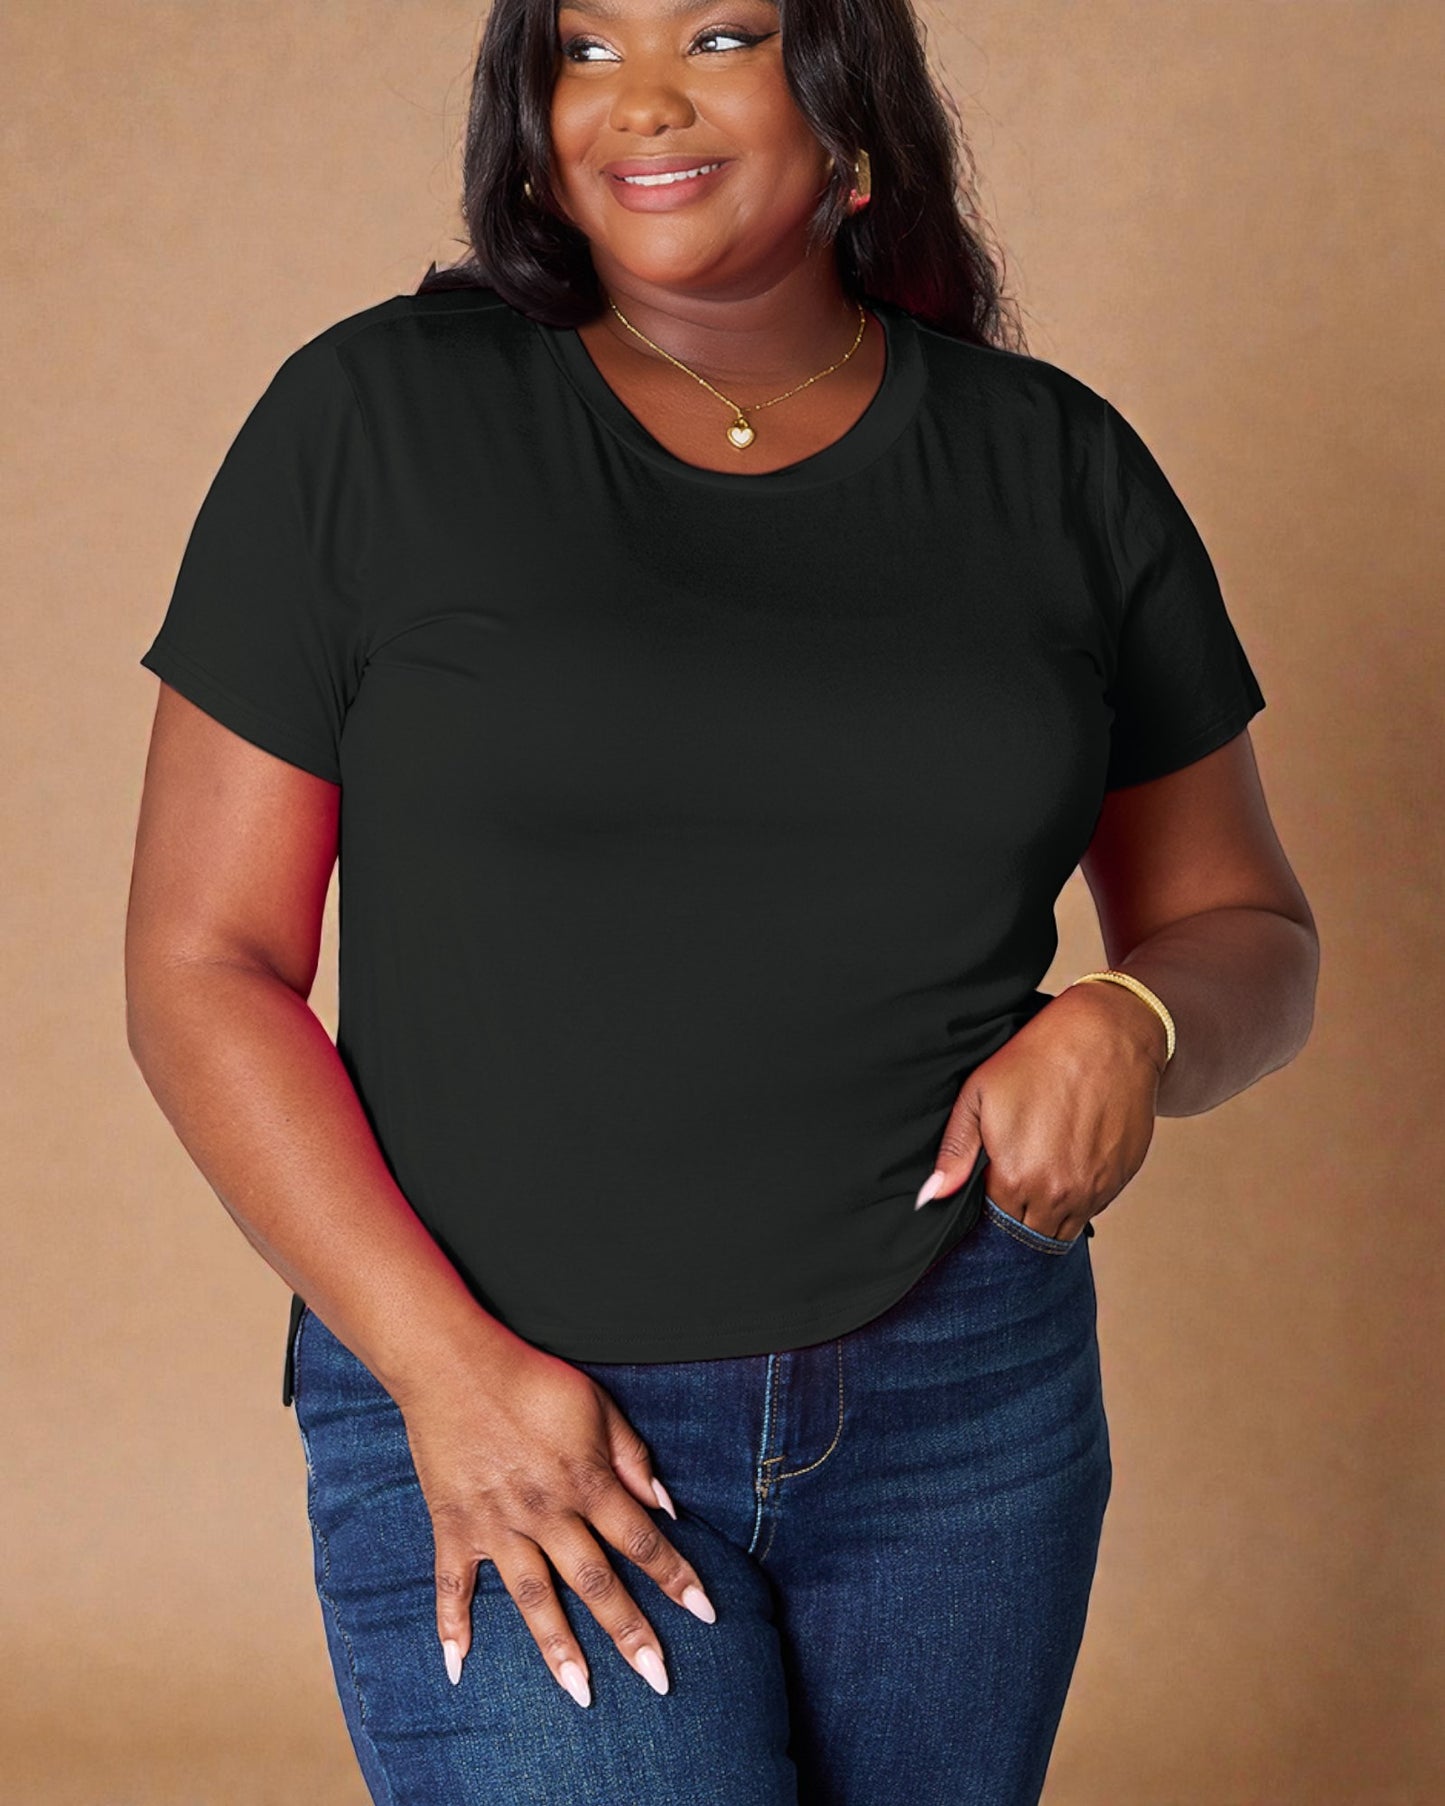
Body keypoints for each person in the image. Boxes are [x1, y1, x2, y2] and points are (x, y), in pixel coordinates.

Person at [125, 0, 1319, 1798]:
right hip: (507, 1387)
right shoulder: (374, 421)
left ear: (848, 98)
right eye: (583, 46)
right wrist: (441, 1378)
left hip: (959, 1398)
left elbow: (1249, 933)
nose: (644, 96)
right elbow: (200, 964)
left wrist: (1132, 1022)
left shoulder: (1053, 467)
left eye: (720, 31)